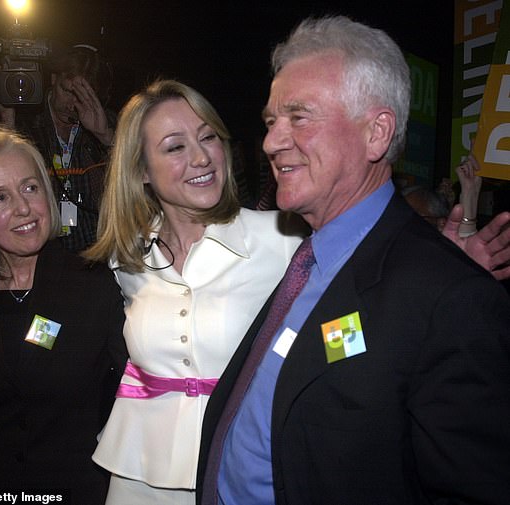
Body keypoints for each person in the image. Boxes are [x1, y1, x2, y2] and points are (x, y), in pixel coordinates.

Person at [197, 15, 510, 505]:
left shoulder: (452, 301)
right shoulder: (308, 260)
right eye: (271, 121)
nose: (271, 141)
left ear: (376, 133)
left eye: (299, 117)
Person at [85, 79, 305, 505]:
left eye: (208, 137)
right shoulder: (126, 259)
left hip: (245, 466)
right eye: (175, 147)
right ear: (141, 170)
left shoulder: (283, 242)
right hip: (140, 474)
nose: (202, 157)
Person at [0, 128, 127, 503]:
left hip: (79, 490)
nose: (23, 207)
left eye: (30, 188)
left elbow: (128, 397)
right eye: (0, 197)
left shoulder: (94, 283)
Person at [0, 44, 114, 252]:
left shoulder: (106, 122)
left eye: (84, 96)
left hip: (95, 253)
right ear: (53, 79)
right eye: (68, 91)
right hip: (41, 253)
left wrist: (104, 135)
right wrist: (4, 117)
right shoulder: (24, 119)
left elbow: (135, 184)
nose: (73, 103)